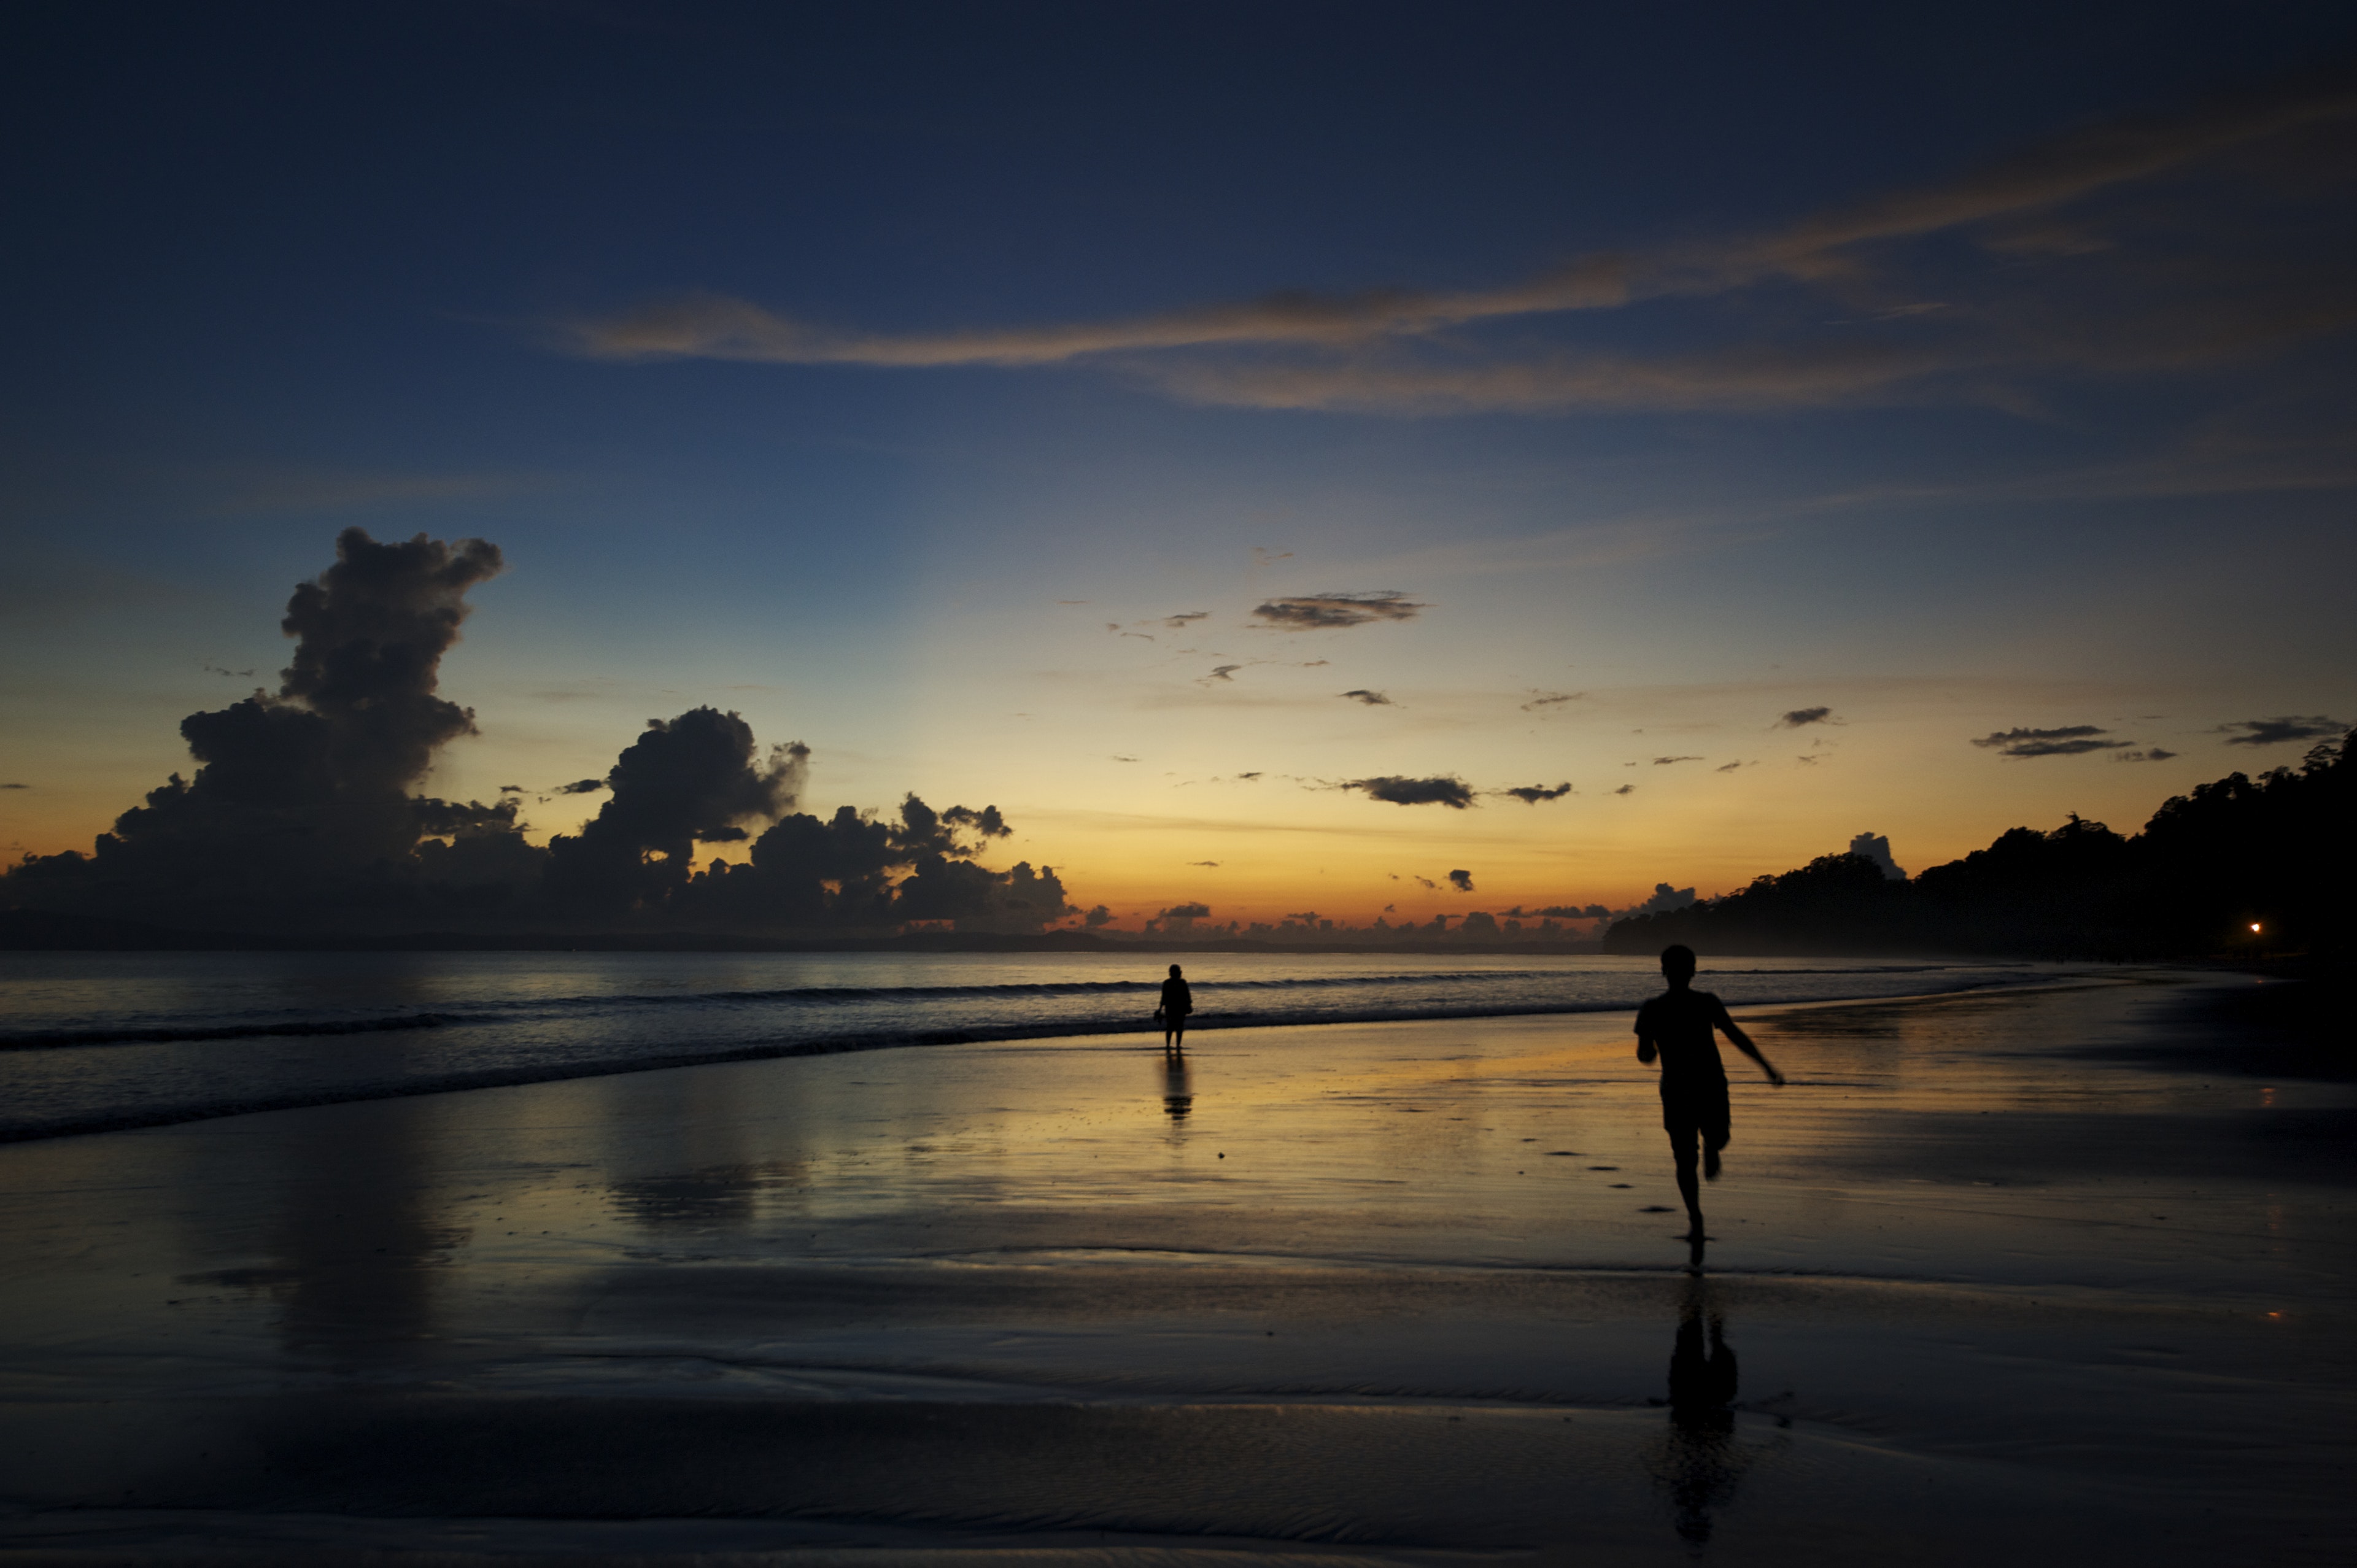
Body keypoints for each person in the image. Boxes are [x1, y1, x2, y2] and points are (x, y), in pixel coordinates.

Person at [1635, 944, 1782, 1241]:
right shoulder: (1653, 1008)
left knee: (1711, 1142)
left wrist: (1766, 1066)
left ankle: (1713, 1148)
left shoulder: (1704, 1003)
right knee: (1685, 1157)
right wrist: (1649, 1051)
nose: (1677, 973)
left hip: (1705, 1084)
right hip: (1684, 1087)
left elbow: (1734, 1035)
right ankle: (1696, 1217)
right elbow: (1646, 1053)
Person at [1156, 964, 1193, 1052]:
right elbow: (1188, 996)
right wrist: (1189, 1005)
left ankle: (1169, 1045)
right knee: (1179, 1027)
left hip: (1171, 1008)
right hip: (1180, 1008)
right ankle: (1177, 1045)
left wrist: (1160, 1009)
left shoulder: (1167, 983)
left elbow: (1163, 998)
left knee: (1170, 1027)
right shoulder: (1182, 983)